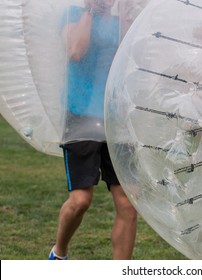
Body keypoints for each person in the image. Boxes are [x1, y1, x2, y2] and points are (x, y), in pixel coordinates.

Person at [48, 0, 137, 260]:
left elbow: (131, 59)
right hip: (80, 116)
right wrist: (90, 10)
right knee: (80, 201)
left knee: (128, 205)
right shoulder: (73, 15)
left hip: (115, 120)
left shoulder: (122, 20)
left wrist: (128, 19)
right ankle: (59, 252)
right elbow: (76, 50)